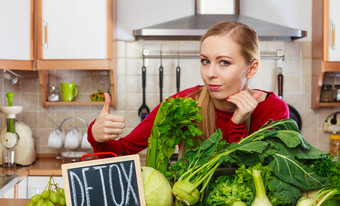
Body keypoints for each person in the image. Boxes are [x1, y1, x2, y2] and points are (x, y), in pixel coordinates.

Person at [88, 21, 289, 156]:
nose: (210, 73)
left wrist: (237, 124)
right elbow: (123, 150)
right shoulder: (184, 104)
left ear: (251, 68)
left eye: (224, 63)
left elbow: (263, 175)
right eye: (205, 61)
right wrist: (96, 136)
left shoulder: (273, 111)